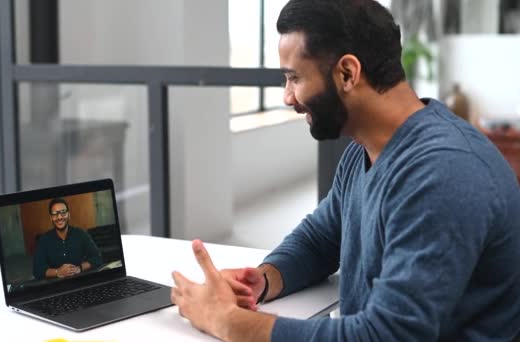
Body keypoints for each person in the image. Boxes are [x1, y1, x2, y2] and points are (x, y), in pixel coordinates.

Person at [170, 0, 520, 341]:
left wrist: (229, 323)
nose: (288, 97)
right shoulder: (364, 150)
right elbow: (321, 239)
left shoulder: (444, 173)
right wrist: (260, 281)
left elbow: (389, 334)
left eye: (294, 78)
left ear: (347, 73)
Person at [33, 198, 103, 280]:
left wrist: (79, 268)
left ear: (69, 215)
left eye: (63, 212)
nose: (59, 217)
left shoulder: (80, 233)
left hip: (79, 281)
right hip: (55, 287)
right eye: (55, 214)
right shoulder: (44, 240)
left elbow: (97, 257)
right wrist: (57, 272)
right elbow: (37, 270)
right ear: (51, 218)